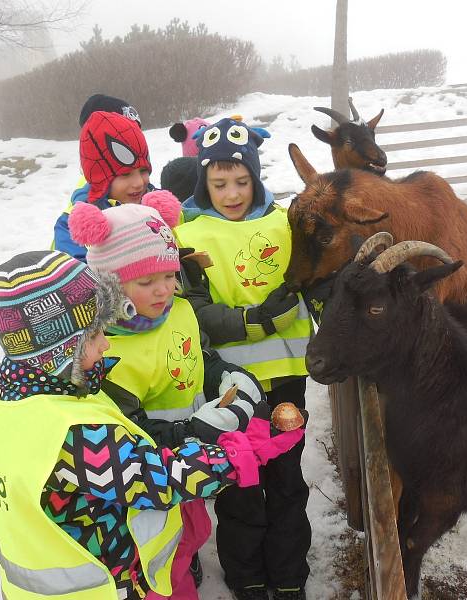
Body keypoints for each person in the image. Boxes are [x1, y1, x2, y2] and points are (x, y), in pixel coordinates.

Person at [0, 249, 305, 600]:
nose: (105, 343)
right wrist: (238, 454)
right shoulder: (71, 434)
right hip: (101, 589)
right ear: (58, 352)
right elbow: (159, 479)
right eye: (92, 338)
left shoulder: (17, 401)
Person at [68, 194, 269, 599]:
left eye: (169, 276)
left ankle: (188, 557)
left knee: (192, 529)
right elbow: (129, 433)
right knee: (165, 553)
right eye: (145, 282)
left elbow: (197, 356)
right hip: (152, 483)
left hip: (192, 462)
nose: (163, 290)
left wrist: (227, 375)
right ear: (109, 286)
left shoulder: (179, 310)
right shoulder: (104, 353)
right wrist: (194, 430)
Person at [175, 117, 314, 600]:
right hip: (230, 386)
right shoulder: (189, 234)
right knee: (238, 478)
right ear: (203, 183)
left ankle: (290, 573)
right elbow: (192, 310)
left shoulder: (286, 224)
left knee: (286, 479)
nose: (231, 193)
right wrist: (253, 319)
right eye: (219, 184)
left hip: (287, 382)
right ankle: (247, 576)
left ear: (256, 179)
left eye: (241, 181)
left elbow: (316, 280)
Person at [53, 110, 154, 261]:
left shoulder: (154, 204)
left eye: (143, 170)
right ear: (99, 179)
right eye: (125, 174)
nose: (139, 182)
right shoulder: (72, 228)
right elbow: (79, 279)